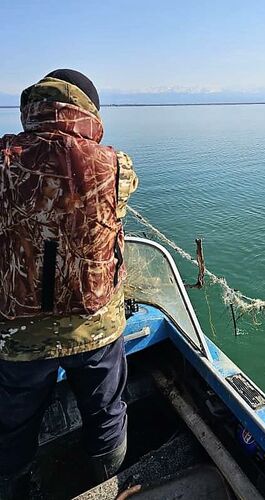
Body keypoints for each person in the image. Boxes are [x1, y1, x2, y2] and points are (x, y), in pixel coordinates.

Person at [0, 69, 138, 499]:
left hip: (19, 335)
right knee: (106, 412)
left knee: (13, 426)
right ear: (89, 109)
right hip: (96, 325)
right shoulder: (117, 165)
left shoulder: (3, 160)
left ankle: (17, 488)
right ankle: (103, 486)